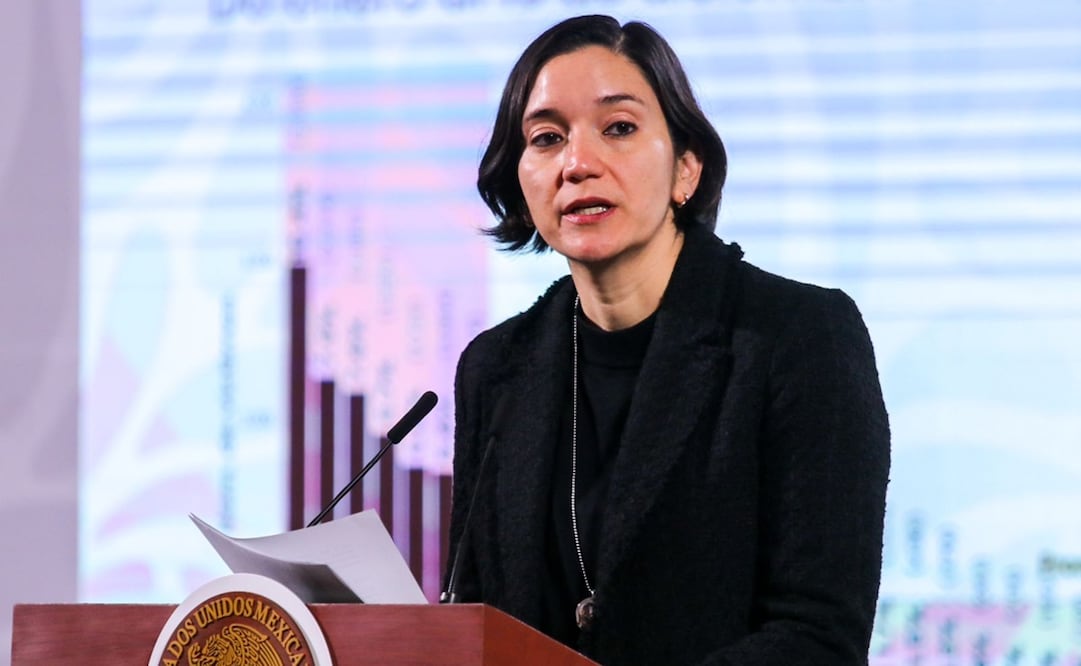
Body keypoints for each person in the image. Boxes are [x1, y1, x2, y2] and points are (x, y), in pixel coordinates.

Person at [442, 14, 890, 665]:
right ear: (519, 180)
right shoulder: (495, 369)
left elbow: (818, 636)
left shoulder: (798, 337)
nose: (576, 163)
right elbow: (474, 617)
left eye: (618, 128)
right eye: (545, 137)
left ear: (685, 168)